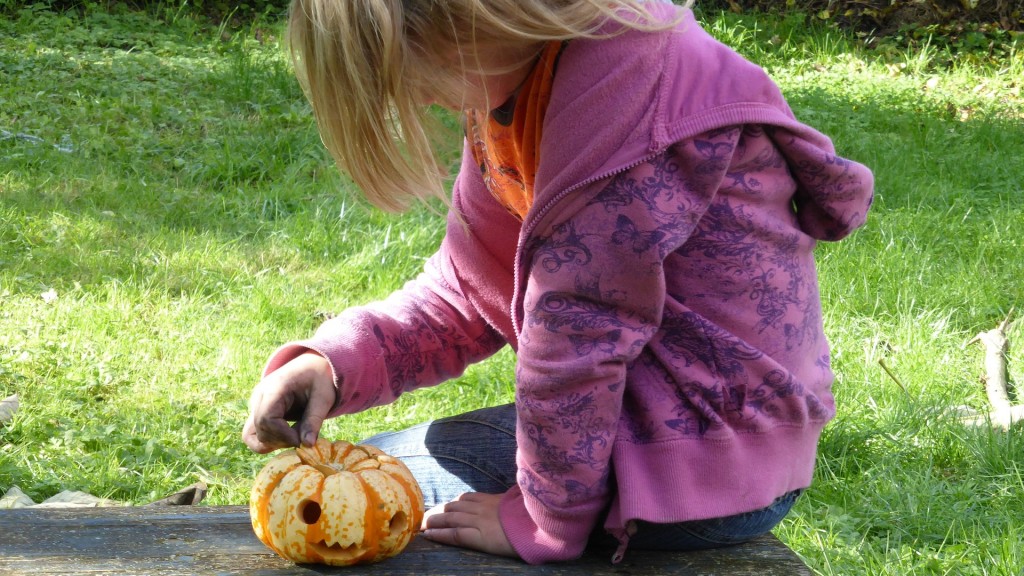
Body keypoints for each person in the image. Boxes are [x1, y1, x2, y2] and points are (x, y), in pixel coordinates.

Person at [242, 0, 874, 565]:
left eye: (403, 76)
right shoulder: (519, 82)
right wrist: (334, 363)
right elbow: (467, 286)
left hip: (703, 461)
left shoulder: (628, 121)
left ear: (453, 25)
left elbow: (578, 346)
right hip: (665, 430)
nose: (423, 100)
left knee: (367, 496)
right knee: (353, 479)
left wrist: (542, 523)